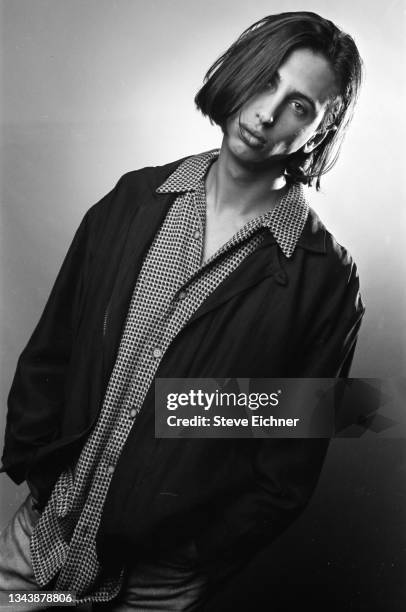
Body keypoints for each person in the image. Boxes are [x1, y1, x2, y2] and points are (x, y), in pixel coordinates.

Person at [0, 11, 365, 611]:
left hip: (155, 581)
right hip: (41, 536)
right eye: (266, 80)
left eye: (302, 106)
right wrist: (38, 470)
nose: (268, 113)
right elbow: (53, 347)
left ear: (320, 133)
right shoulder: (133, 199)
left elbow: (289, 464)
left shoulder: (324, 279)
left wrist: (196, 550)